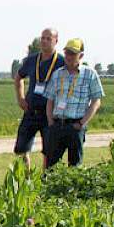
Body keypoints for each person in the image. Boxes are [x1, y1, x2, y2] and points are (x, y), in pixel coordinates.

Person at [43, 38, 103, 169]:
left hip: (76, 126)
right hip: (58, 124)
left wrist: (82, 123)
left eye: (73, 53)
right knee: (50, 167)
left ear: (81, 55)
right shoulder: (58, 74)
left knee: (74, 167)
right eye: (67, 53)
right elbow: (50, 100)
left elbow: (96, 101)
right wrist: (51, 122)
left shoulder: (90, 74)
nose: (69, 56)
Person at [13, 28, 64, 167]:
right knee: (21, 149)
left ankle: (45, 180)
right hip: (31, 110)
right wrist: (21, 98)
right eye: (43, 38)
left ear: (56, 41)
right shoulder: (32, 60)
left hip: (50, 114)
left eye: (49, 38)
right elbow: (18, 78)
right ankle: (28, 179)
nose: (44, 41)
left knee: (49, 151)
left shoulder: (61, 62)